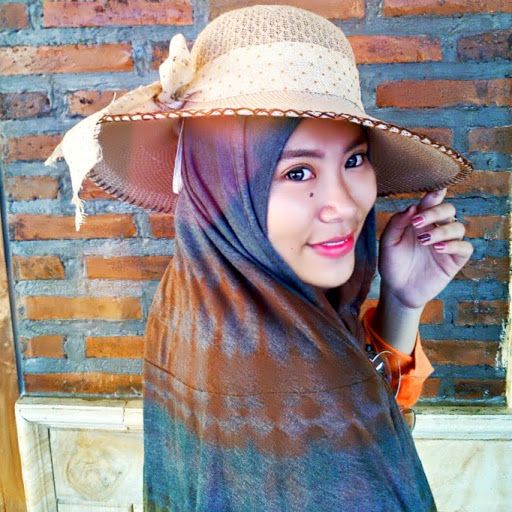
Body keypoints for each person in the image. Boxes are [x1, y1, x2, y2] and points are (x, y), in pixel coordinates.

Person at [46, 5, 474, 511]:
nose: (342, 205)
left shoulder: (198, 294)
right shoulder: (301, 390)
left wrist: (401, 304)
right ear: (223, 186)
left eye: (354, 159)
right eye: (297, 172)